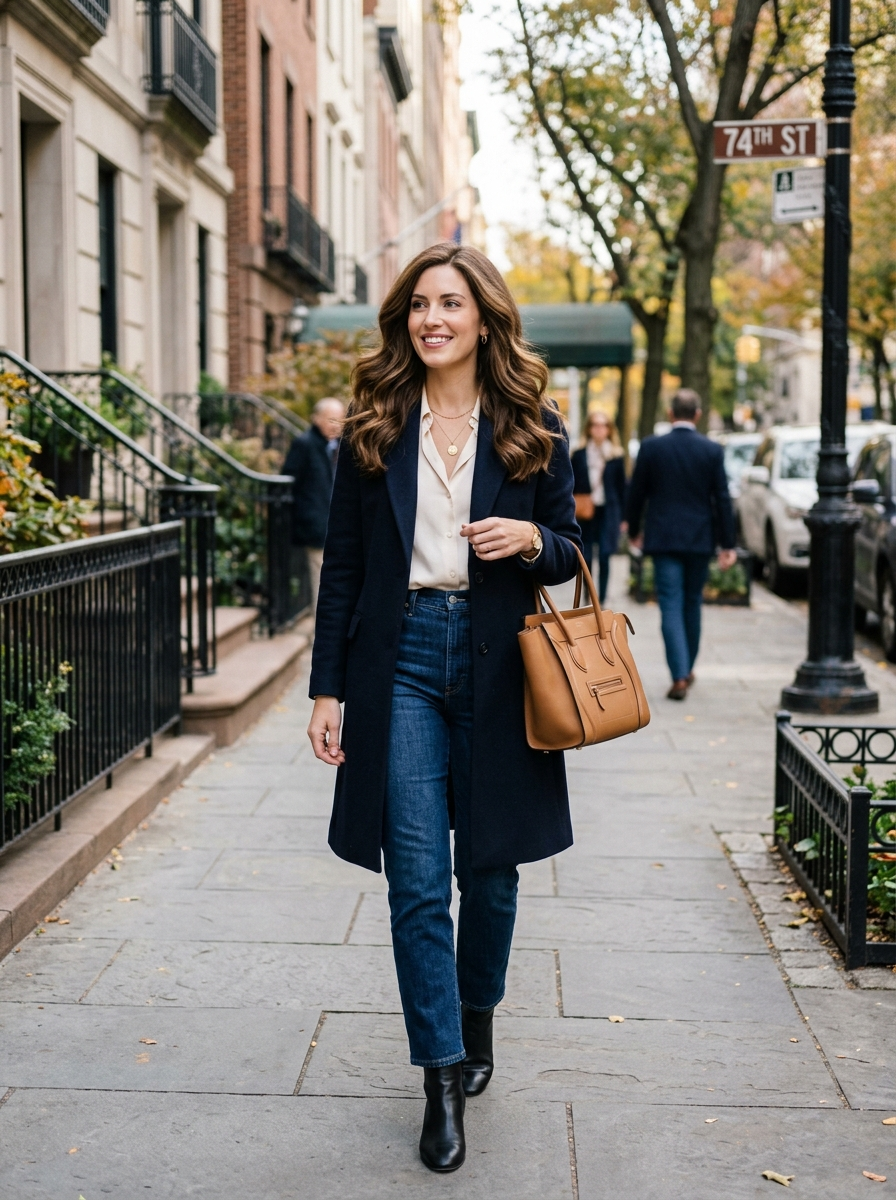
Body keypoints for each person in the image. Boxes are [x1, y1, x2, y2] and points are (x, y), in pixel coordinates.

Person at [306, 243, 580, 1173]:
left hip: (503, 664)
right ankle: (440, 1073)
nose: (433, 318)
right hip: (403, 660)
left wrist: (532, 536)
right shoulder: (377, 425)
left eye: (451, 304)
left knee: (492, 874)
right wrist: (327, 688)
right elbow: (343, 567)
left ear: (484, 318)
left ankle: (478, 1015)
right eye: (420, 304)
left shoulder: (532, 424)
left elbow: (576, 553)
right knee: (418, 879)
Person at [625, 388, 736, 701]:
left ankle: (679, 675)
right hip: (700, 540)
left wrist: (633, 529)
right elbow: (722, 499)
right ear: (697, 415)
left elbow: (637, 493)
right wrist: (728, 543)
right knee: (692, 603)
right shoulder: (712, 450)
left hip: (662, 539)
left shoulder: (651, 447)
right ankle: (685, 669)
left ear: (671, 414)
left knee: (670, 605)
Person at [282, 397, 345, 610]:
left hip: (339, 527)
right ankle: (321, 636)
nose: (335, 425)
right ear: (316, 419)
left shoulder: (342, 446)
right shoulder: (304, 443)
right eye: (330, 420)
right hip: (316, 526)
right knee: (321, 583)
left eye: (339, 420)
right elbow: (289, 480)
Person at [571, 411, 626, 603]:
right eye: (595, 424)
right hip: (585, 512)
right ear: (589, 428)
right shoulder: (578, 454)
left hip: (608, 511)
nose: (599, 429)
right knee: (585, 557)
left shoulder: (616, 455)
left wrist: (624, 518)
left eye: (603, 425)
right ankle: (588, 596)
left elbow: (622, 488)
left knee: (604, 555)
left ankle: (600, 599)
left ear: (609, 429)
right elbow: (571, 485)